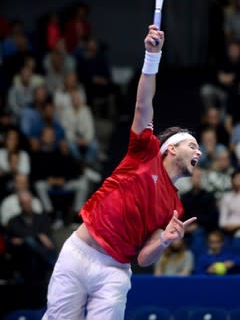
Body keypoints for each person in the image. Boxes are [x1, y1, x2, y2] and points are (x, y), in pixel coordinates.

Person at [41, 24, 201, 320]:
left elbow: (144, 257)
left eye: (198, 149)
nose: (198, 152)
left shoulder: (175, 207)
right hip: (78, 253)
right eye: (192, 146)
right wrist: (152, 56)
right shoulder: (145, 151)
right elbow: (143, 105)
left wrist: (165, 241)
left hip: (115, 271)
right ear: (171, 149)